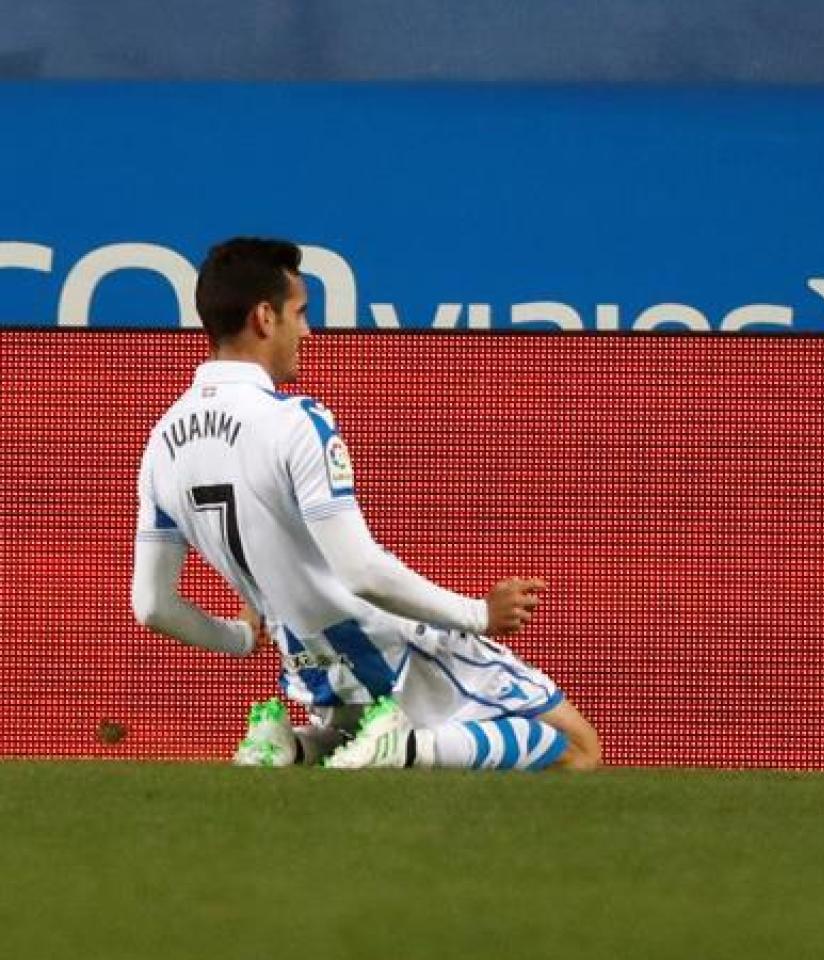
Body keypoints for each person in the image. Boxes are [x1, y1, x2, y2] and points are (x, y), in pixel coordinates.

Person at [130, 237, 601, 771]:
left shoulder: (162, 444)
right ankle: (403, 748)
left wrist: (238, 639)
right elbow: (360, 571)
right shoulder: (294, 421)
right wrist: (478, 615)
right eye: (300, 313)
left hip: (308, 664)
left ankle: (295, 746)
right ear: (265, 317)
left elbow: (151, 605)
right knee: (579, 748)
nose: (307, 331)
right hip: (391, 643)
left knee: (362, 740)